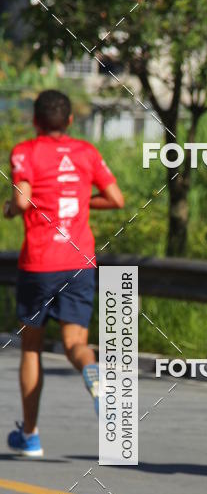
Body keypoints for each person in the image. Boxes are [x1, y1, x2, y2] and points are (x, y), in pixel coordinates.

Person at [4, 89, 125, 457]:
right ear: (70, 121)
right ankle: (97, 378)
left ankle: (31, 435)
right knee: (75, 344)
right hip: (79, 263)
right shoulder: (86, 152)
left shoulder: (25, 151)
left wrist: (11, 207)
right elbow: (117, 199)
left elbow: (23, 199)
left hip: (39, 264)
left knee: (31, 347)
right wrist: (79, 201)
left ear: (35, 121)